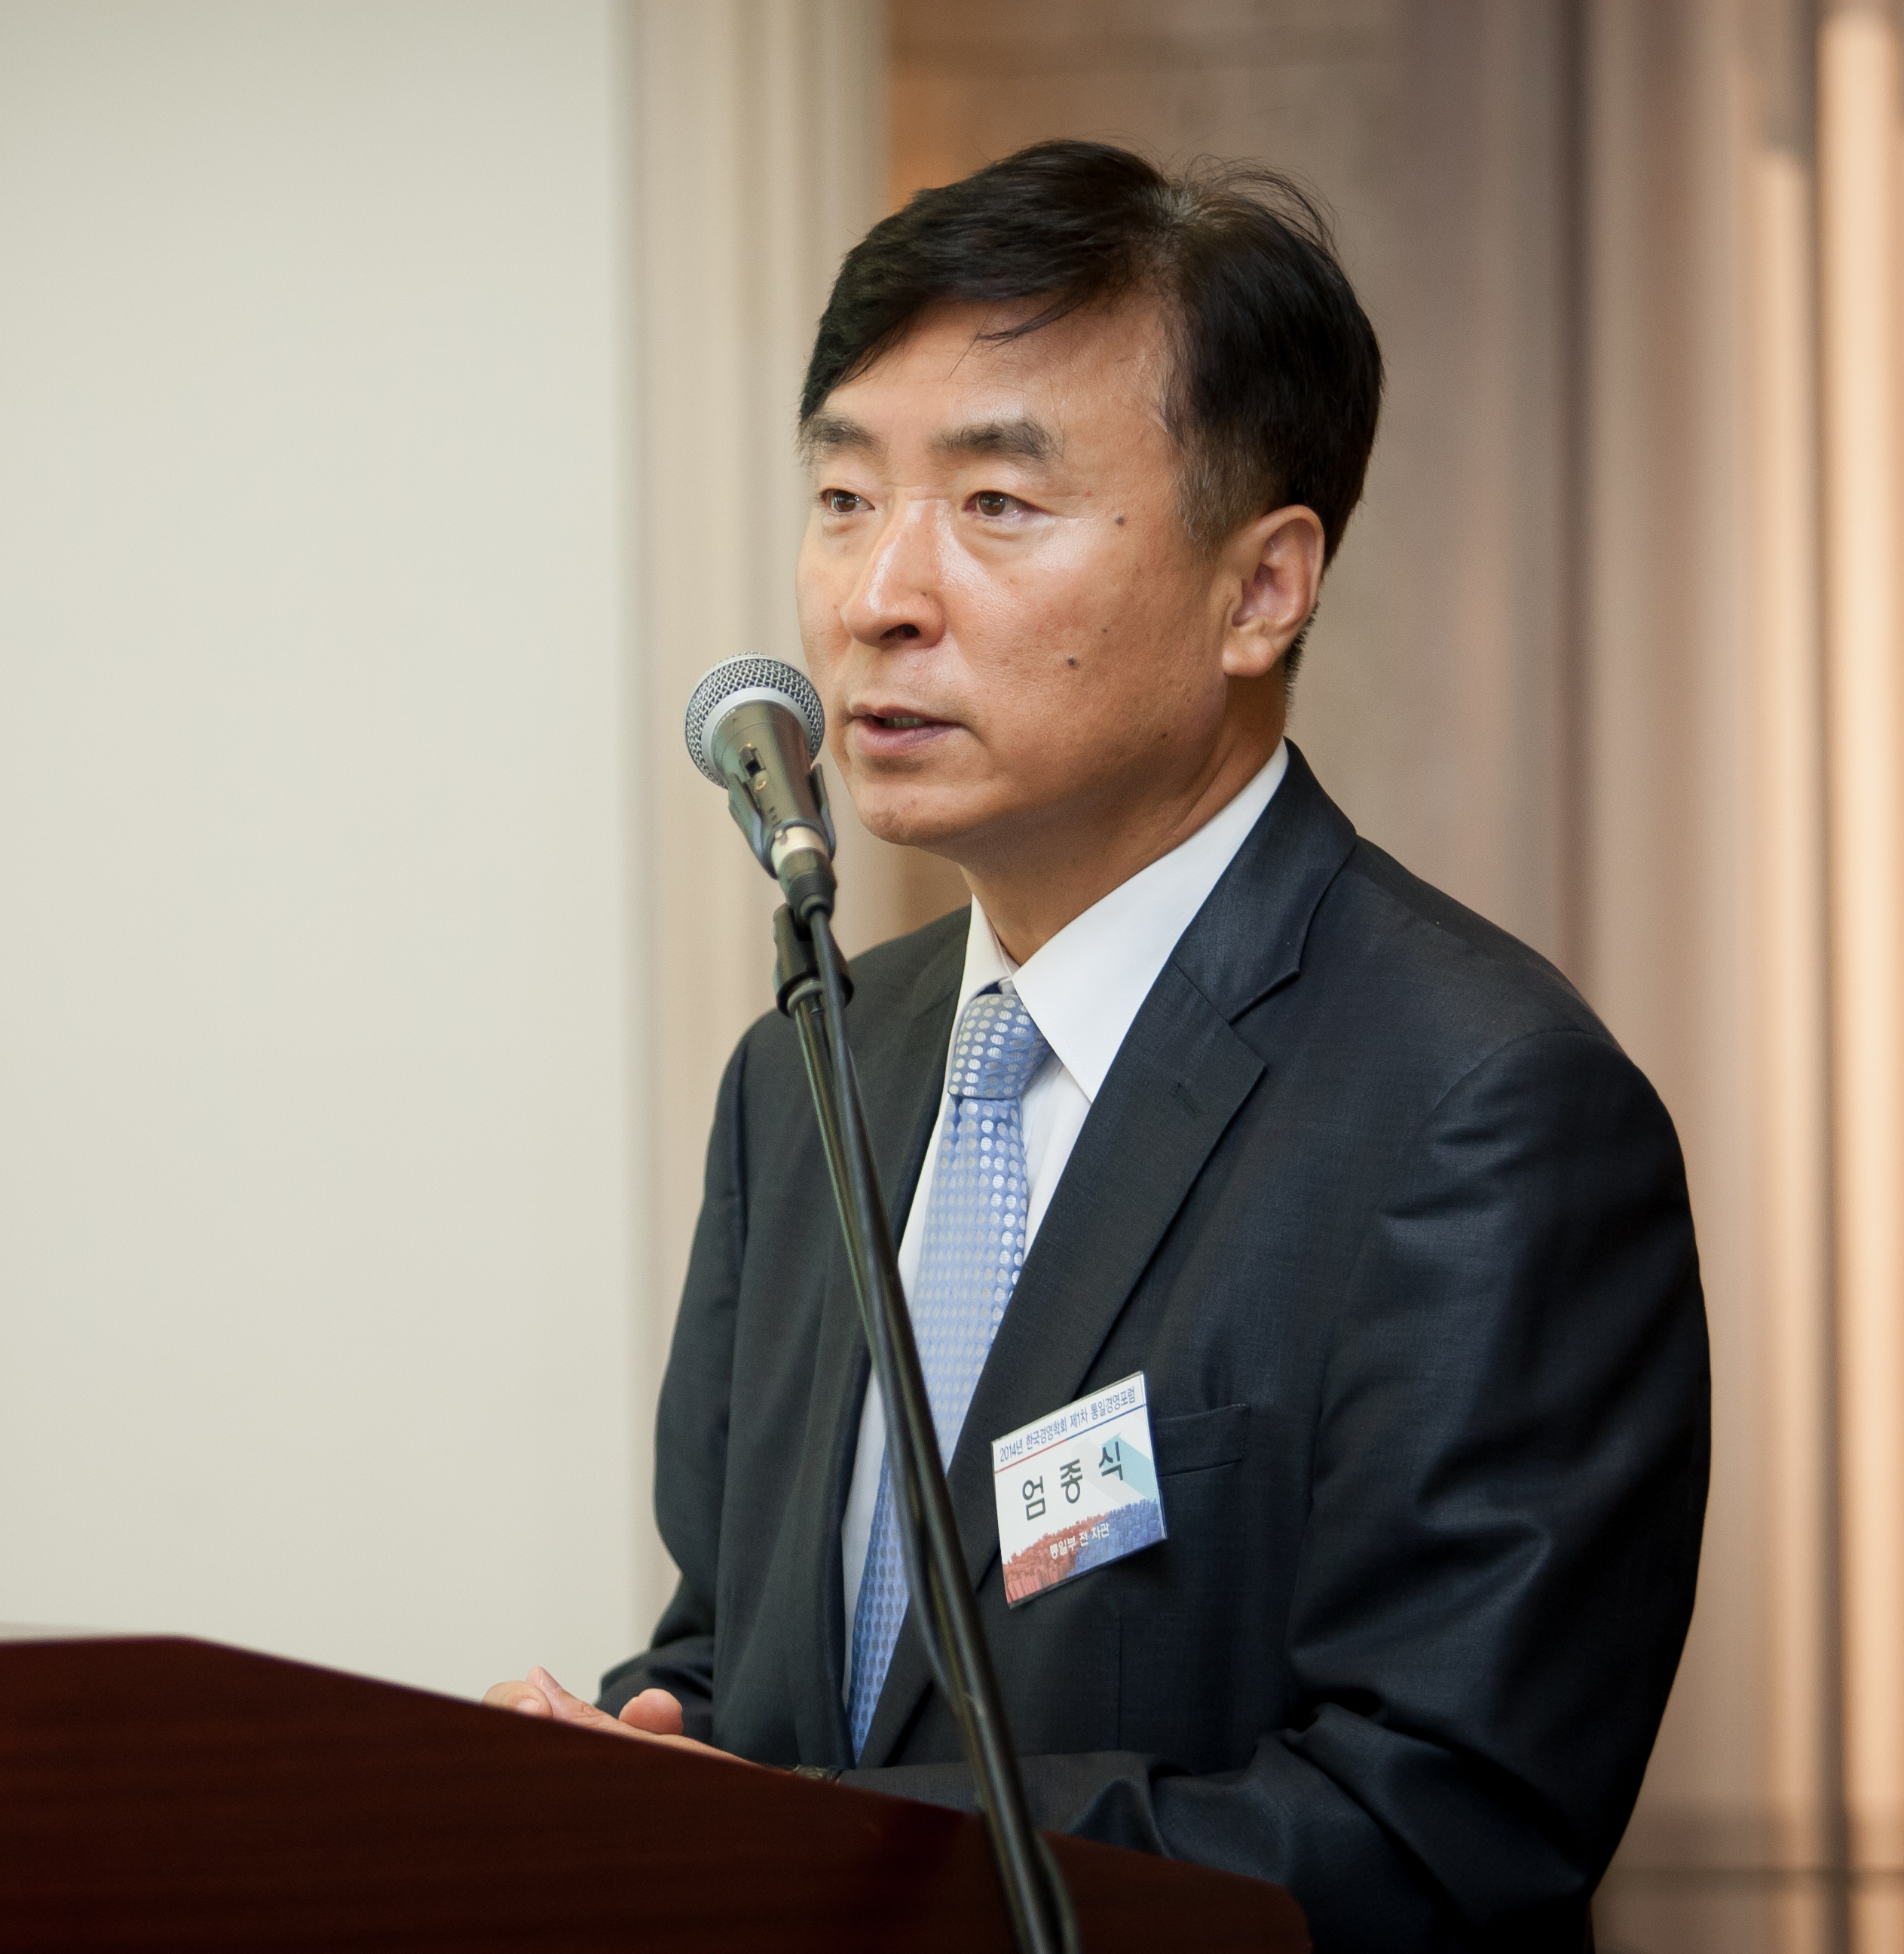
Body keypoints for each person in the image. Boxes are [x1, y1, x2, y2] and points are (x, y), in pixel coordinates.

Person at [485, 141, 1709, 1952]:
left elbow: (1439, 1837)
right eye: (844, 496)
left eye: (997, 503)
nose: (878, 596)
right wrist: (624, 1775)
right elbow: (744, 1668)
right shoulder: (819, 1061)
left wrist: (803, 1848)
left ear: (1261, 589)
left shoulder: (1482, 1108)